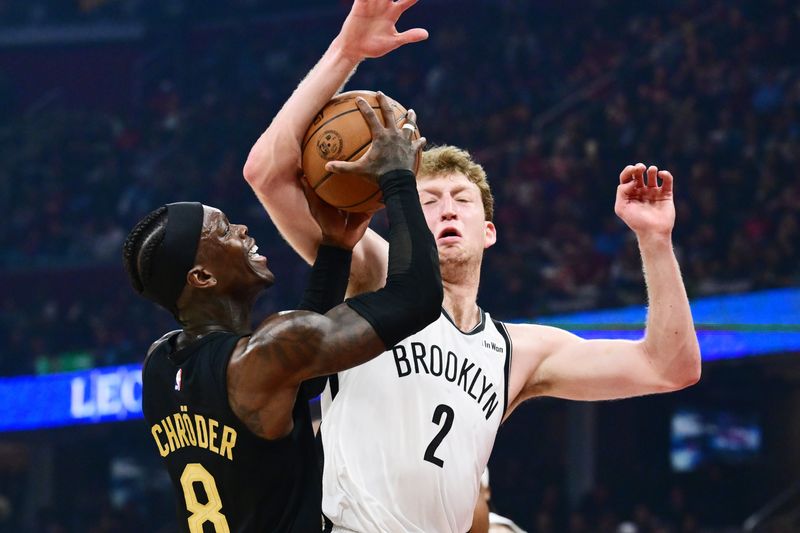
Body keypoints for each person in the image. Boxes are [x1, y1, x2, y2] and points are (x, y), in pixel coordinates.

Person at [243, 1, 702, 531]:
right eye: (427, 200)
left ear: (489, 232)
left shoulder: (519, 352)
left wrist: (655, 240)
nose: (444, 209)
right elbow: (266, 174)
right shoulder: (372, 274)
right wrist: (346, 51)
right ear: (401, 219)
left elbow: (670, 367)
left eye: (461, 199)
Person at [124, 99, 439, 533]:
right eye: (224, 231)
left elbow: (295, 380)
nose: (243, 230)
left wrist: (334, 251)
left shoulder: (159, 364)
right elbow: (418, 296)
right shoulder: (263, 354)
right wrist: (398, 178)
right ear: (201, 276)